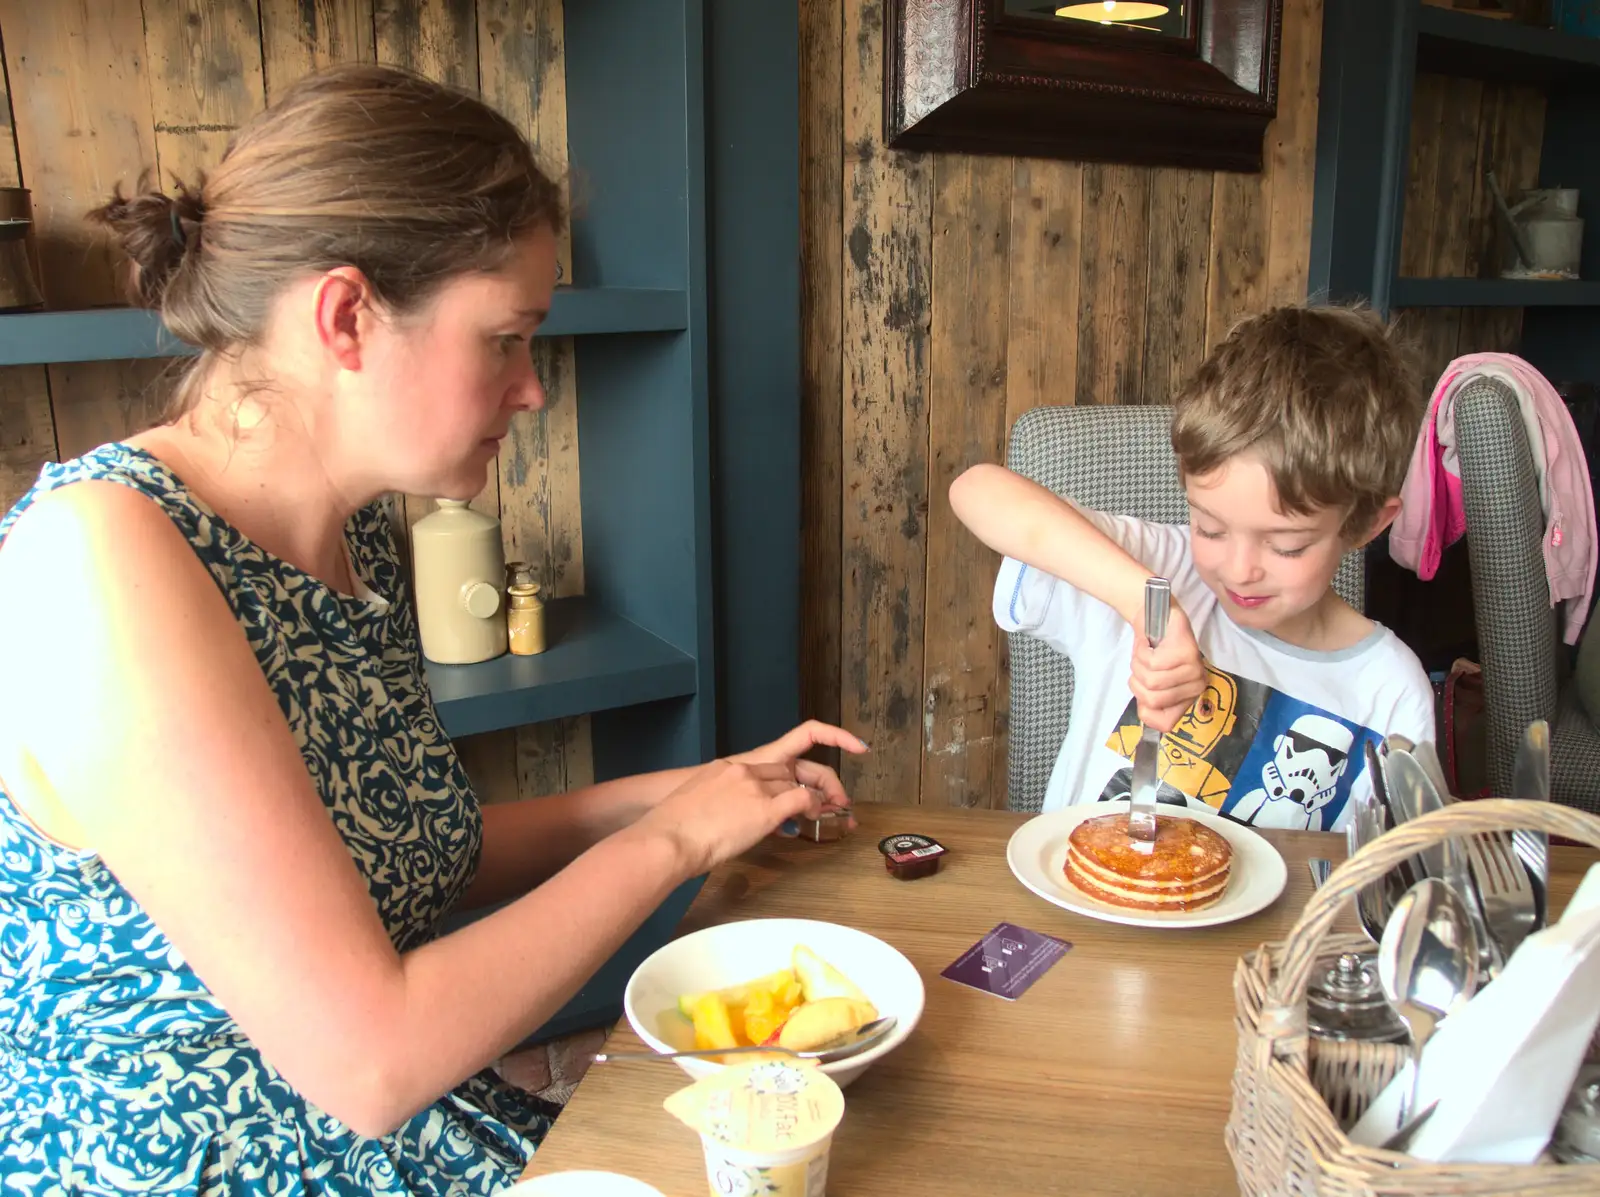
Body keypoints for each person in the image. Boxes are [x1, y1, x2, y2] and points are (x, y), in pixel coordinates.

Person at [0, 65, 861, 1196]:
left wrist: (696, 788)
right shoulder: (99, 556)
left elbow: (409, 856)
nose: (533, 391)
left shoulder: (353, 550)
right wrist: (674, 842)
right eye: (506, 338)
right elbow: (368, 1060)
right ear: (346, 315)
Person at [950, 305, 1435, 832]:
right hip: (1066, 908)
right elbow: (976, 490)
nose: (1240, 569)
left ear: (1366, 525)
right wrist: (1145, 602)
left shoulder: (1390, 691)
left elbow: (1397, 875)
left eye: (1287, 546)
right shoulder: (1162, 569)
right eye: (1210, 528)